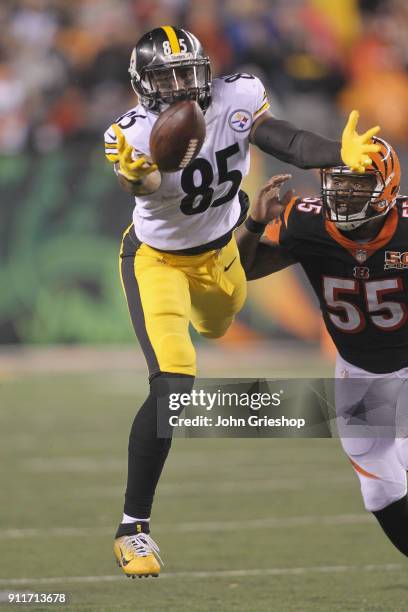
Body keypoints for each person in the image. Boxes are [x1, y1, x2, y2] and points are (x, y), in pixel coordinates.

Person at [104, 25, 380, 578]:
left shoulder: (239, 93)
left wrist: (335, 154)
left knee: (220, 323)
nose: (182, 86)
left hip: (223, 248)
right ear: (144, 85)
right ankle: (133, 529)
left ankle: (257, 219)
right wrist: (135, 179)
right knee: (173, 387)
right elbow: (139, 183)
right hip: (157, 259)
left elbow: (281, 139)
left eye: (189, 72)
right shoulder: (129, 134)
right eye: (168, 77)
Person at [237, 137, 408, 560]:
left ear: (386, 187)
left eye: (358, 184)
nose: (345, 194)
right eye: (339, 182)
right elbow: (243, 271)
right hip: (359, 372)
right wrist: (255, 224)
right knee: (380, 489)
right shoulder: (307, 223)